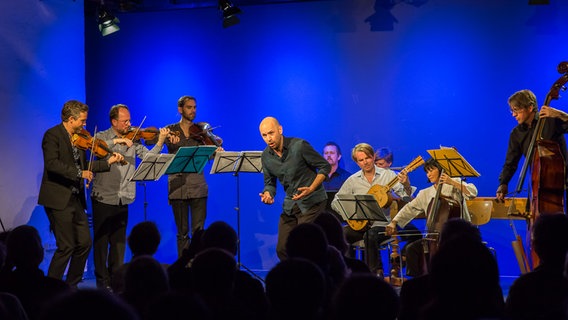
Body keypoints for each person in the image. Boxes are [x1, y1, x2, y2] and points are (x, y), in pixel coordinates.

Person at [38, 99, 124, 287]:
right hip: (58, 198)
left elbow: (86, 166)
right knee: (66, 246)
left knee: (84, 244)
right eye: (82, 121)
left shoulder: (79, 138)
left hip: (76, 199)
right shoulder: (52, 135)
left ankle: (70, 285)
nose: (85, 125)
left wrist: (108, 162)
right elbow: (52, 164)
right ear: (70, 119)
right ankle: (51, 288)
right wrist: (79, 173)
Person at [90, 104, 169, 290]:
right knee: (101, 244)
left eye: (129, 120)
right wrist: (117, 142)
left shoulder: (134, 138)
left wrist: (160, 142)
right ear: (114, 121)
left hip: (124, 196)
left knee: (118, 245)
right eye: (125, 121)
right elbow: (95, 146)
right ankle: (102, 283)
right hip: (103, 196)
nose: (129, 124)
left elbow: (149, 157)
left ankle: (116, 283)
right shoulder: (102, 137)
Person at [385, 157, 478, 277]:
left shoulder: (454, 185)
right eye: (427, 172)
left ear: (440, 169)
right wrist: (394, 221)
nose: (428, 174)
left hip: (458, 236)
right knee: (411, 249)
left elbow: (472, 192)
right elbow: (410, 208)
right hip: (433, 237)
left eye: (431, 170)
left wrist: (452, 182)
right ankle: (418, 282)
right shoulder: (425, 193)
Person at [331, 143, 413, 278]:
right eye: (361, 160)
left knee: (371, 235)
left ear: (373, 156)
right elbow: (335, 202)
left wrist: (406, 183)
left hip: (384, 226)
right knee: (343, 234)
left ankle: (374, 274)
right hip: (361, 225)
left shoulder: (388, 175)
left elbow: (407, 197)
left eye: (367, 158)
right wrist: (349, 215)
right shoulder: (353, 180)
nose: (365, 162)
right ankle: (349, 273)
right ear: (357, 162)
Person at [258, 116, 331, 260]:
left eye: (271, 133)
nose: (269, 139)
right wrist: (268, 193)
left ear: (280, 130)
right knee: (282, 249)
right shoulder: (266, 156)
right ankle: (295, 278)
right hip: (291, 204)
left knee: (302, 246)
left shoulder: (299, 146)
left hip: (312, 202)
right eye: (264, 135)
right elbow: (270, 182)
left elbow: (325, 166)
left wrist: (311, 188)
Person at [164, 95, 223, 257]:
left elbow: (207, 156)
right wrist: (162, 137)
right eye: (189, 107)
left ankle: (198, 266)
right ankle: (183, 270)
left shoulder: (201, 131)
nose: (193, 110)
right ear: (180, 109)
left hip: (198, 186)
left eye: (195, 107)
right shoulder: (170, 130)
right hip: (178, 187)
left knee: (199, 232)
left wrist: (215, 150)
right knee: (182, 233)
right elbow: (152, 142)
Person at [496, 89, 568, 203]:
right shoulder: (516, 133)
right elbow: (510, 162)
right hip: (536, 190)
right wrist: (503, 183)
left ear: (530, 108)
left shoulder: (551, 121)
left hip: (562, 186)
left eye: (516, 110)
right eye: (512, 111)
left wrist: (561, 115)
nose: (514, 114)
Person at [322, 142, 351, 217]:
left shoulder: (347, 177)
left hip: (340, 218)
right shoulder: (316, 176)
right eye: (326, 153)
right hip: (319, 217)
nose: (328, 155)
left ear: (339, 156)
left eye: (332, 153)